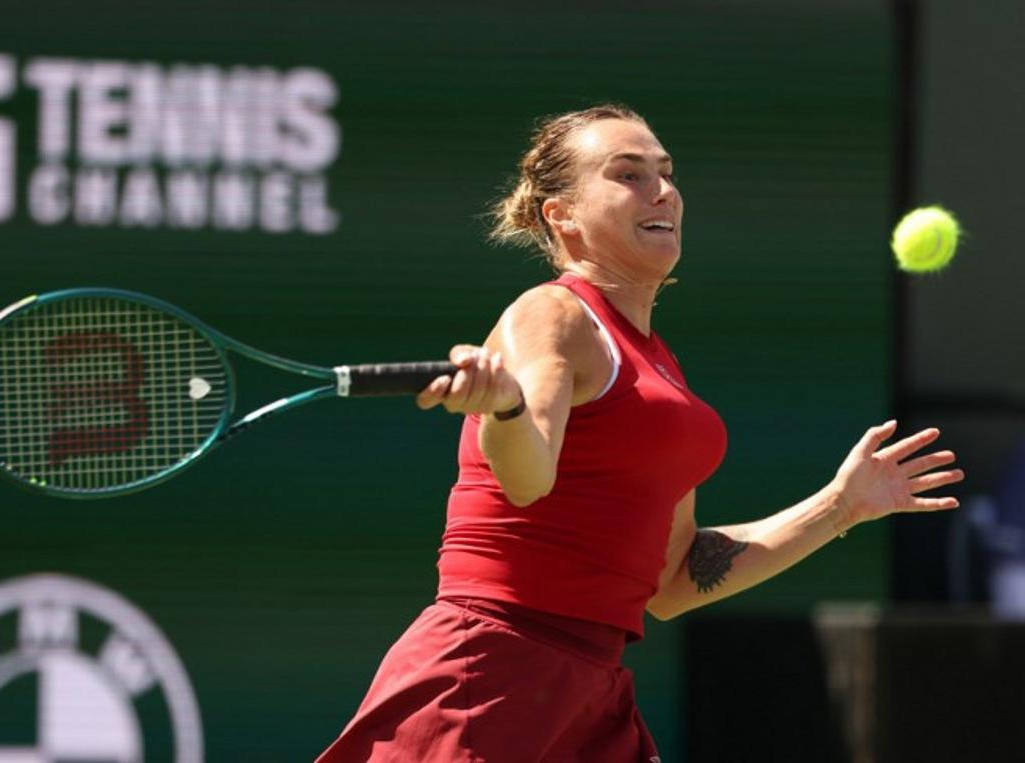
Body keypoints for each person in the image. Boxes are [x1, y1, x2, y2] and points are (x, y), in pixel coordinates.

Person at [316, 104, 964, 762]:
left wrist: (840, 506)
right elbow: (527, 476)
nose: (663, 190)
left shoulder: (658, 364)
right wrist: (506, 407)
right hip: (490, 671)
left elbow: (673, 583)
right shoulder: (551, 315)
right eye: (628, 174)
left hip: (591, 693)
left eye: (666, 172)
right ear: (560, 214)